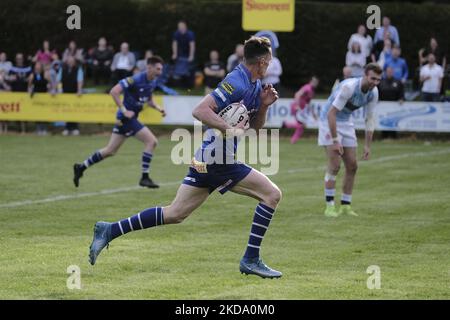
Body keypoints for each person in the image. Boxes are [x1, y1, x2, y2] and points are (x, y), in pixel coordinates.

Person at [88, 36, 283, 279]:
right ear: (263, 61)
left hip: (206, 158)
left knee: (175, 213)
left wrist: (264, 106)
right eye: (271, 60)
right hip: (217, 160)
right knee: (272, 194)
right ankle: (251, 259)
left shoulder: (255, 87)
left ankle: (109, 230)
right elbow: (200, 110)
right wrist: (228, 129)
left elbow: (253, 131)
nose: (272, 64)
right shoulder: (237, 81)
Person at [73, 56, 166, 189]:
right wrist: (124, 110)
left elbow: (149, 100)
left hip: (126, 120)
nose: (160, 72)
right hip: (127, 119)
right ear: (149, 67)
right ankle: (144, 178)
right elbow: (114, 91)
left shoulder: (153, 82)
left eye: (161, 69)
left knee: (110, 150)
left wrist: (158, 108)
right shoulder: (135, 79)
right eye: (158, 69)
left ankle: (81, 167)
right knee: (152, 141)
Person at [318, 63, 381, 217]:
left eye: (378, 80)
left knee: (352, 165)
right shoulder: (349, 87)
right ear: (365, 75)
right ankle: (330, 206)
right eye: (373, 78)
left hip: (346, 122)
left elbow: (369, 119)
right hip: (329, 121)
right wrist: (335, 140)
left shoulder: (373, 92)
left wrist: (367, 145)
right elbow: (331, 114)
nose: (375, 82)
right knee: (335, 165)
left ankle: (346, 205)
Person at [283, 76, 319, 144]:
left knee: (301, 126)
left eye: (316, 82)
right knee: (302, 125)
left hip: (301, 109)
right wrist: (297, 105)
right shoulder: (307, 88)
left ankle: (293, 141)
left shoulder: (312, 91)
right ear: (310, 81)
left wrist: (314, 114)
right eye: (314, 82)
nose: (315, 83)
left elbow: (309, 104)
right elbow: (297, 94)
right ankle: (286, 124)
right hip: (296, 107)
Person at [58, 56, 84, 135]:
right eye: (69, 61)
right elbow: (58, 80)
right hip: (65, 93)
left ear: (74, 62)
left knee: (74, 110)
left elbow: (80, 80)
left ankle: (75, 128)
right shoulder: (62, 69)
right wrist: (59, 89)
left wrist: (79, 90)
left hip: (74, 93)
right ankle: (67, 128)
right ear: (67, 61)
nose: (70, 62)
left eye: (72, 61)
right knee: (66, 110)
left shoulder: (78, 69)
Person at [378, 67, 404, 139]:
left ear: (393, 72)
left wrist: (401, 98)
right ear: (386, 72)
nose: (389, 73)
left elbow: (401, 92)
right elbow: (377, 92)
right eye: (388, 71)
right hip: (383, 106)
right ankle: (384, 136)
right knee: (384, 120)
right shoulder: (381, 81)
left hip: (394, 106)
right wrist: (377, 99)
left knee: (394, 120)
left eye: (391, 71)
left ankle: (394, 136)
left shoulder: (398, 82)